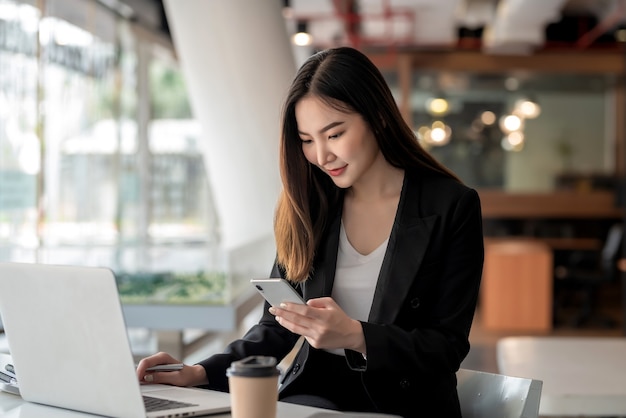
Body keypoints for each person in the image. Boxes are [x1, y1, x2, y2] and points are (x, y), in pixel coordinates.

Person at [136, 46, 484, 418]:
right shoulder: (311, 204)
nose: (321, 156)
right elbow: (276, 325)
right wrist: (200, 371)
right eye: (306, 140)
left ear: (379, 117)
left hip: (406, 402)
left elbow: (446, 347)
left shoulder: (451, 206)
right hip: (315, 395)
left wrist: (355, 335)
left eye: (334, 134)